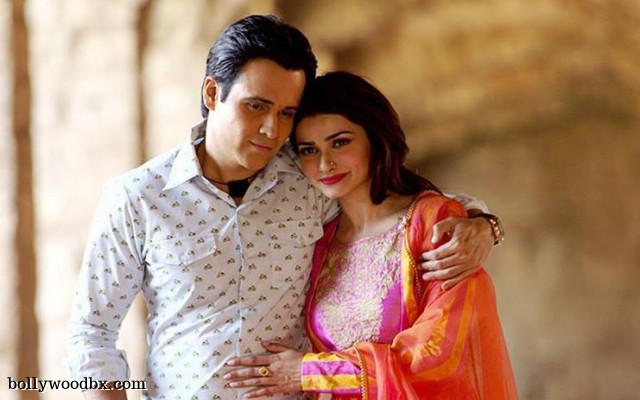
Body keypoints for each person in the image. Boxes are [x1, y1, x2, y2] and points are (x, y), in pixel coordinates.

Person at [67, 15, 500, 400]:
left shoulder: (309, 176)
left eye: (287, 113)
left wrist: (482, 224)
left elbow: (399, 206)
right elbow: (93, 331)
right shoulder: (138, 197)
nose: (271, 130)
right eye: (256, 107)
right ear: (213, 92)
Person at [223, 71, 517, 399]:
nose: (325, 163)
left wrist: (308, 372)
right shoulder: (322, 238)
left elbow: (439, 355)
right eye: (308, 150)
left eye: (340, 142)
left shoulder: (432, 223)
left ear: (375, 138)